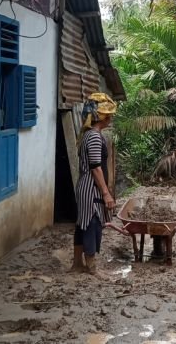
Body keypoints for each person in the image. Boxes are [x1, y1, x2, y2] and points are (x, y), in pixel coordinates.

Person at [71, 92, 120, 276]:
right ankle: (92, 267)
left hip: (87, 186)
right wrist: (106, 193)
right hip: (91, 188)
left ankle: (77, 263)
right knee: (92, 223)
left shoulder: (90, 135)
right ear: (102, 116)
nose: (111, 117)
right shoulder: (93, 137)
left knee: (82, 224)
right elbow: (95, 168)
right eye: (109, 114)